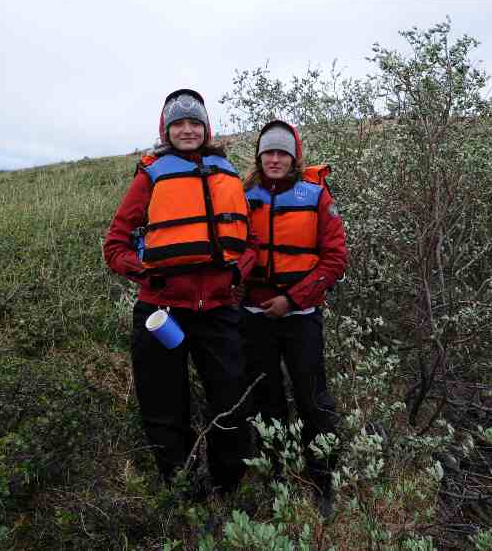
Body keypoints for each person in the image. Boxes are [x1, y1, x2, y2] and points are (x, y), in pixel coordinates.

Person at [103, 88, 256, 496]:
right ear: (166, 129)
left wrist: (237, 275)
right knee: (164, 407)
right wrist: (146, 274)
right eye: (179, 123)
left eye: (195, 122)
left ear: (206, 128)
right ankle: (183, 489)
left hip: (219, 309)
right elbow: (115, 245)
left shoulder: (227, 173)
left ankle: (229, 487)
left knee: (230, 403)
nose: (187, 130)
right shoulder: (151, 174)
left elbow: (250, 242)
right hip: (162, 310)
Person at [240, 120, 348, 516]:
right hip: (253, 316)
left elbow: (335, 259)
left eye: (282, 153)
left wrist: (291, 298)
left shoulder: (316, 195)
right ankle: (277, 479)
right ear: (259, 156)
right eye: (268, 152)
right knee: (265, 401)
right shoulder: (241, 194)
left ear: (294, 157)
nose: (274, 159)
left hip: (301, 316)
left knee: (312, 399)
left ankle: (322, 482)